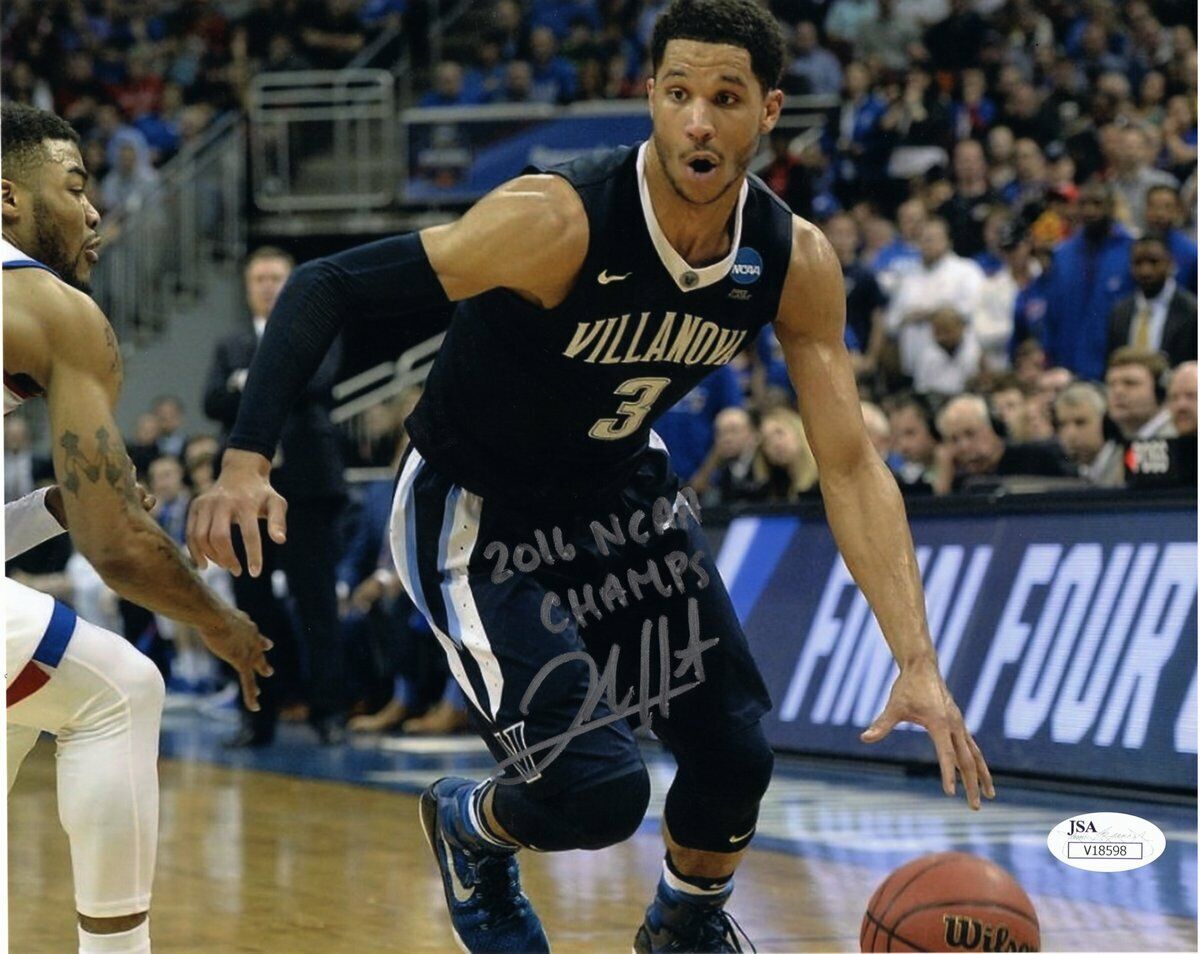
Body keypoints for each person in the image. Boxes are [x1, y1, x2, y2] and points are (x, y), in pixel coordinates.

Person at [187, 4, 994, 952]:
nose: (698, 120)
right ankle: (471, 824)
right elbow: (327, 284)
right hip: (477, 511)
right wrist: (246, 460)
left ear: (768, 111)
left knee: (734, 756)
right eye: (679, 94)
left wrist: (918, 662)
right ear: (650, 97)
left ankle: (683, 926)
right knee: (597, 792)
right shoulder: (555, 218)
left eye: (725, 98)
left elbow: (851, 466)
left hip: (617, 501)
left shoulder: (792, 258)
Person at [2, 102, 270, 954]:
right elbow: (117, 548)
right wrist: (221, 622)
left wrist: (47, 506)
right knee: (124, 690)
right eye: (76, 187)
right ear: (7, 200)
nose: (95, 211)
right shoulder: (47, 304)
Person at [202, 245, 347, 746]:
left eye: (275, 277)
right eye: (258, 278)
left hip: (306, 488)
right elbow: (212, 399)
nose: (267, 286)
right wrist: (258, 383)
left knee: (318, 604)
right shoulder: (230, 342)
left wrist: (250, 381)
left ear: (292, 284)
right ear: (247, 288)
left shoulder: (318, 329)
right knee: (252, 606)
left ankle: (329, 713)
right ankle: (258, 716)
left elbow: (319, 383)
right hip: (245, 496)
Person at [1043, 181, 1135, 381]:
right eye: (1083, 204)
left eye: (1097, 203)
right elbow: (1052, 313)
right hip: (1067, 366)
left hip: (1114, 368)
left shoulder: (1131, 250)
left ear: (1111, 206)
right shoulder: (1062, 254)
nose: (1090, 210)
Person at [935, 394, 1075, 493]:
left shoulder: (1036, 456)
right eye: (954, 439)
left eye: (970, 433)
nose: (963, 446)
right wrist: (944, 475)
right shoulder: (959, 480)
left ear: (992, 427)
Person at [1106, 234, 1198, 369]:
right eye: (1138, 263)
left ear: (1170, 263)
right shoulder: (1120, 311)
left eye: (1153, 262)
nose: (1145, 271)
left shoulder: (1191, 310)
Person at [1053, 382, 1124, 486]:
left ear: (1106, 423)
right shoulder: (1069, 472)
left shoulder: (1127, 468)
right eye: (1062, 424)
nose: (1070, 434)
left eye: (1080, 422)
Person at [1105, 347, 1175, 440]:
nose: (1118, 391)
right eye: (1111, 384)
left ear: (1159, 391)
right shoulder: (1114, 445)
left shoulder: (1178, 442)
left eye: (1130, 383)